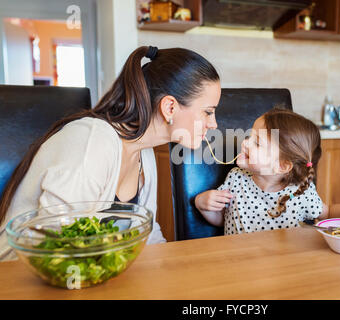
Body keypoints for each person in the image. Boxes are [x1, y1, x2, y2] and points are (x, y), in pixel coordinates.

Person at [0, 46, 222, 261]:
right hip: (20, 279)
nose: (213, 124)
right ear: (170, 107)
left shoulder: (144, 153)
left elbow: (147, 237)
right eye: (208, 112)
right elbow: (60, 245)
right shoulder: (92, 140)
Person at [195, 108, 340, 234]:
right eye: (249, 136)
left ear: (282, 166)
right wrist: (203, 204)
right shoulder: (235, 178)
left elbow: (328, 212)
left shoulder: (300, 191)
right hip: (237, 262)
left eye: (256, 143)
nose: (245, 143)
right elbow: (223, 221)